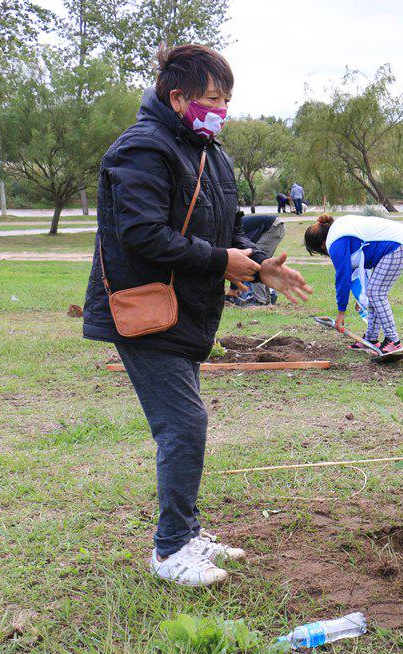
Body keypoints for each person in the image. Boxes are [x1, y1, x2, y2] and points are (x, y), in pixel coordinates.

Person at [82, 44, 313, 586]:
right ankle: (169, 552)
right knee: (184, 425)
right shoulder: (142, 149)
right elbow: (140, 235)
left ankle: (187, 534)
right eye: (213, 97)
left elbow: (224, 229)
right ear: (176, 95)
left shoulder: (209, 150)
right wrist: (220, 261)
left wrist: (258, 268)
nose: (221, 109)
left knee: (185, 424)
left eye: (227, 99)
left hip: (185, 311)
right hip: (144, 312)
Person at [304, 212, 403, 354]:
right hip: (399, 242)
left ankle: (393, 341)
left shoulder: (335, 243)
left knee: (376, 293)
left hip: (397, 246)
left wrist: (341, 312)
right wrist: (360, 297)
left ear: (320, 245)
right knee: (373, 293)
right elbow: (360, 267)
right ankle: (371, 339)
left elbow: (343, 278)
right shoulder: (337, 231)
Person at [227, 214, 287, 306]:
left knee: (255, 265)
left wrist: (233, 289)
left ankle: (259, 300)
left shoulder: (228, 232)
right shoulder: (229, 229)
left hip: (272, 227)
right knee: (262, 265)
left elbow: (240, 262)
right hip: (275, 226)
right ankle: (267, 300)